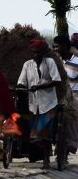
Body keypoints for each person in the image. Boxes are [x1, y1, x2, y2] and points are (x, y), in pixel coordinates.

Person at [17, 38, 63, 169]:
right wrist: (19, 87)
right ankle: (44, 156)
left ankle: (46, 159)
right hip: (34, 105)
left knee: (44, 134)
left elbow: (57, 80)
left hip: (49, 103)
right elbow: (22, 81)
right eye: (33, 52)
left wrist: (39, 86)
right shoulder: (27, 65)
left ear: (43, 52)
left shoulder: (50, 62)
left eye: (38, 52)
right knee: (36, 137)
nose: (35, 55)